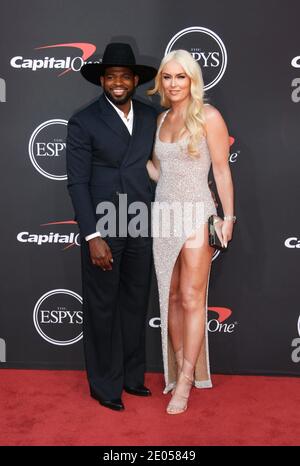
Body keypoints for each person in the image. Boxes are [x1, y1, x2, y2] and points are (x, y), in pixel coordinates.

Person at [66, 43, 157, 411]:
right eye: (111, 76)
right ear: (102, 81)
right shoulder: (84, 121)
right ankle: (104, 384)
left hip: (141, 224)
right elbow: (77, 183)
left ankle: (132, 378)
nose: (117, 82)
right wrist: (92, 235)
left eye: (124, 76)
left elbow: (159, 165)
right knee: (103, 307)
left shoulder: (152, 117)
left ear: (135, 80)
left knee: (135, 304)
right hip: (103, 226)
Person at [147, 50, 235, 414]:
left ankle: (186, 380)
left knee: (191, 297)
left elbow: (222, 171)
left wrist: (228, 218)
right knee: (168, 297)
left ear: (193, 80)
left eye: (181, 77)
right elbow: (158, 171)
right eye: (167, 77)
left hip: (198, 213)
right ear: (161, 82)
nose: (173, 84)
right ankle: (179, 366)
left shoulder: (209, 117)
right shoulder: (162, 118)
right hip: (163, 215)